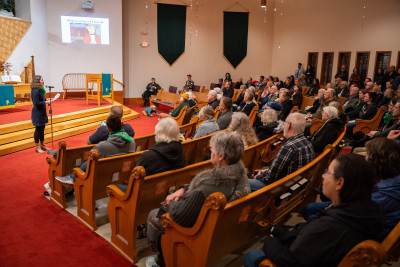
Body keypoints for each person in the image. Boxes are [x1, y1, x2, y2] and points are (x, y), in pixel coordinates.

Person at [244, 154, 384, 267]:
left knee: (252, 255)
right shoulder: (367, 210)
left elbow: (291, 261)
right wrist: (280, 232)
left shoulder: (331, 225)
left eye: (328, 172)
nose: (323, 175)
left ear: (339, 183)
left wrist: (269, 241)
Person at [146, 131, 250, 267]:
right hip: (225, 227)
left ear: (220, 156)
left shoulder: (207, 187)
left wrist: (169, 203)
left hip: (202, 231)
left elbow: (179, 215)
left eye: (211, 149)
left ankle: (163, 260)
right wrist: (183, 189)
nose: (210, 152)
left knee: (155, 215)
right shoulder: (240, 174)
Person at [55, 115, 136, 185]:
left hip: (103, 179)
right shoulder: (131, 141)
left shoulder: (103, 146)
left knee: (89, 162)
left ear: (108, 129)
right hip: (124, 174)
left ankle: (72, 178)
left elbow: (90, 156)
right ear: (121, 126)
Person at [249, 113, 314, 191]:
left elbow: (269, 179)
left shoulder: (289, 147)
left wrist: (257, 176)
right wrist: (267, 171)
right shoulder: (307, 143)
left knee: (239, 183)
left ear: (289, 125)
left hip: (280, 189)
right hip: (295, 184)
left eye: (284, 123)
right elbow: (279, 169)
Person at [30, 75, 50, 153]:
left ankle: (42, 144)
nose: (43, 81)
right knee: (38, 130)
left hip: (42, 112)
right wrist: (45, 102)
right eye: (41, 80)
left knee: (42, 129)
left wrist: (46, 99)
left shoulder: (39, 90)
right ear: (37, 81)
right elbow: (36, 103)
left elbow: (40, 99)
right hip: (37, 113)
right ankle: (37, 146)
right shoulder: (35, 91)